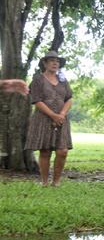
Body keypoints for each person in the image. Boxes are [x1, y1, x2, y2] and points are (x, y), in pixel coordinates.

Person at [25, 51, 73, 187]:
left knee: (62, 151)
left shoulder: (63, 80)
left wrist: (62, 114)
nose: (55, 63)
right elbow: (36, 100)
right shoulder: (38, 79)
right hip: (43, 118)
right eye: (51, 60)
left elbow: (69, 98)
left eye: (57, 61)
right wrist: (53, 115)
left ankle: (56, 181)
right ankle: (45, 182)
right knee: (45, 150)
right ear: (45, 63)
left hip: (61, 120)